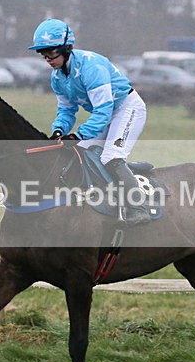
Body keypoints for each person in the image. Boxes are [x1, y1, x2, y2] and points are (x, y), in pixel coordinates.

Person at [28, 18, 150, 225]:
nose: (47, 58)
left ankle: (139, 207)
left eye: (51, 52)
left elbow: (103, 112)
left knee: (111, 156)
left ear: (67, 48)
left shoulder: (91, 67)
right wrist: (58, 130)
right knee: (80, 153)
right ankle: (102, 196)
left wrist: (77, 135)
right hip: (107, 113)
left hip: (127, 108)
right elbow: (66, 110)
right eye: (43, 54)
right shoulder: (57, 77)